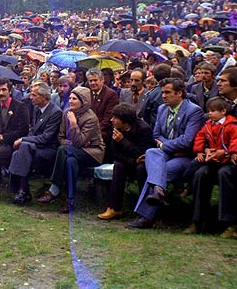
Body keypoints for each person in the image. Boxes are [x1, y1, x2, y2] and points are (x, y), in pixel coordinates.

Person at [126, 78, 204, 229]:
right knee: (151, 152)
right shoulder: (162, 109)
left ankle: (146, 217)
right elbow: (156, 135)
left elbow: (187, 140)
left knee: (159, 170)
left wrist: (164, 145)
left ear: (180, 93)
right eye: (162, 92)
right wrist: (164, 146)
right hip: (166, 153)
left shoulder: (194, 111)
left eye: (168, 92)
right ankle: (158, 190)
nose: (164, 96)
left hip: (184, 156)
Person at [38, 86, 105, 213]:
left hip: (92, 153)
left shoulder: (91, 118)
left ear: (83, 101)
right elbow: (61, 137)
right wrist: (72, 143)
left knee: (63, 150)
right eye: (70, 98)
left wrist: (74, 124)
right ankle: (70, 201)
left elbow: (80, 141)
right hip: (74, 151)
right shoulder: (67, 113)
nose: (71, 101)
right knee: (70, 162)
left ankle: (54, 188)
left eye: (75, 99)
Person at [187, 97, 237, 237]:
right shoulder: (208, 125)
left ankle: (229, 222)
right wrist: (200, 150)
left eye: (213, 111)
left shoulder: (231, 125)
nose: (209, 114)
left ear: (223, 111)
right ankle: (197, 220)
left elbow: (235, 139)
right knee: (200, 174)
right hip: (213, 160)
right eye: (208, 111)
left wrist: (232, 153)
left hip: (227, 161)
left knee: (224, 174)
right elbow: (200, 137)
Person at [8, 81, 62, 205]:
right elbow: (32, 129)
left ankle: (22, 190)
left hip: (48, 149)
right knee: (22, 150)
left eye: (34, 95)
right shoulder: (36, 108)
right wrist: (26, 140)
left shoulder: (55, 112)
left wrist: (24, 140)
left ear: (43, 96)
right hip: (34, 146)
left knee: (23, 148)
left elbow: (46, 138)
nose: (30, 97)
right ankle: (23, 189)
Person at [98, 103, 154, 220]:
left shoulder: (144, 129)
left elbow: (142, 153)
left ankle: (144, 211)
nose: (112, 120)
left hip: (144, 163)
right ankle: (114, 208)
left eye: (115, 118)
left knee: (141, 169)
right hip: (129, 161)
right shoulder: (116, 129)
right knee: (118, 166)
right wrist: (132, 161)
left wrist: (123, 141)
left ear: (125, 120)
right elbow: (115, 154)